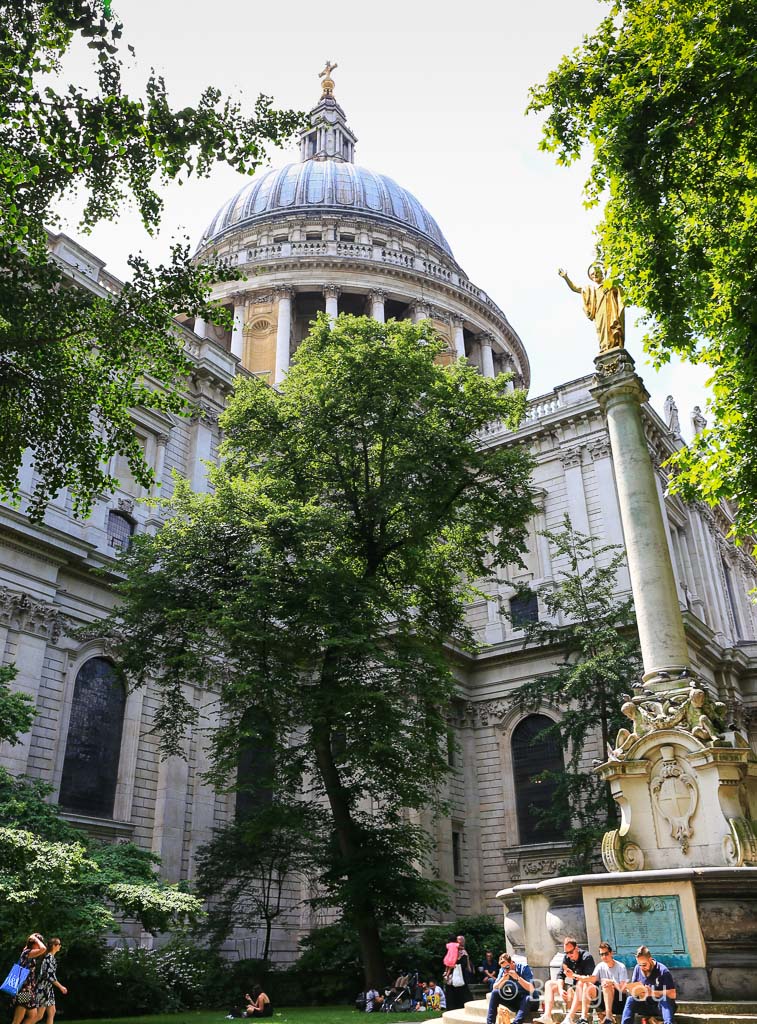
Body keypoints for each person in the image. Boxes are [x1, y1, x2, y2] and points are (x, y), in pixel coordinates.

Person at [558, 264, 625, 353]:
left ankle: (614, 345)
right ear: (591, 277)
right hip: (599, 313)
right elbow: (575, 288)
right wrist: (566, 278)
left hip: (610, 310)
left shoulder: (609, 284)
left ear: (602, 274)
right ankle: (604, 347)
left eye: (597, 273)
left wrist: (610, 287)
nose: (595, 275)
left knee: (611, 327)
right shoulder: (590, 289)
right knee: (601, 330)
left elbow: (620, 292)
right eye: (593, 274)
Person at [535, 935, 596, 1024]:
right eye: (566, 952)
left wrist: (573, 976)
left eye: (571, 952)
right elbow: (560, 975)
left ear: (577, 948)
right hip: (575, 993)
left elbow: (589, 979)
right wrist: (560, 989)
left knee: (581, 983)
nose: (569, 955)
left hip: (588, 994)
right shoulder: (567, 959)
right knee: (549, 984)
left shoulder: (587, 957)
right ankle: (547, 1016)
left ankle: (569, 1018)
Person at [620, 946, 676, 1024]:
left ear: (650, 959)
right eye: (639, 965)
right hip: (646, 1005)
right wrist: (632, 990)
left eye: (644, 965)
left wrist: (651, 993)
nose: (642, 968)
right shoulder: (637, 969)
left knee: (664, 999)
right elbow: (634, 991)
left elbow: (673, 994)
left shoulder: (663, 971)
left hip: (661, 1007)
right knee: (630, 999)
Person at [486, 953, 534, 1024]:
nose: (506, 970)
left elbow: (531, 989)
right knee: (495, 993)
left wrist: (517, 978)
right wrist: (503, 979)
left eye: (507, 967)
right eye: (503, 968)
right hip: (514, 999)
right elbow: (494, 987)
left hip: (528, 1001)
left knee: (528, 998)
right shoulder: (503, 970)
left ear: (512, 962)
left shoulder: (524, 968)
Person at [11, 933, 47, 1024]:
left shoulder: (28, 952)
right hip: (23, 990)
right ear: (34, 943)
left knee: (34, 1016)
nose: (40, 944)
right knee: (17, 1020)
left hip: (29, 990)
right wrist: (35, 938)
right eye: (39, 942)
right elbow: (43, 949)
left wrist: (34, 938)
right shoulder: (27, 953)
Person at [590, 942, 628, 1024]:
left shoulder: (621, 967)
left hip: (619, 1001)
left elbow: (624, 990)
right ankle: (583, 1017)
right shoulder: (600, 966)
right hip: (605, 1000)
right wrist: (577, 977)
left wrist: (613, 983)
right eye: (601, 954)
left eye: (606, 954)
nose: (604, 957)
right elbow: (592, 980)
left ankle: (608, 1016)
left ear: (611, 953)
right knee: (587, 986)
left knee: (607, 984)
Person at [34, 938, 67, 1024]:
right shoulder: (49, 958)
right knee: (39, 1016)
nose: (60, 946)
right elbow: (50, 976)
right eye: (58, 944)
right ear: (54, 946)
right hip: (43, 989)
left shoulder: (51, 957)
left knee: (52, 1012)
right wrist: (61, 987)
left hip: (48, 989)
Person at [445, 934, 473, 1010]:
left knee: (462, 993)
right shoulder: (452, 950)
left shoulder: (463, 952)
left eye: (461, 940)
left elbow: (465, 964)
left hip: (460, 975)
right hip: (452, 976)